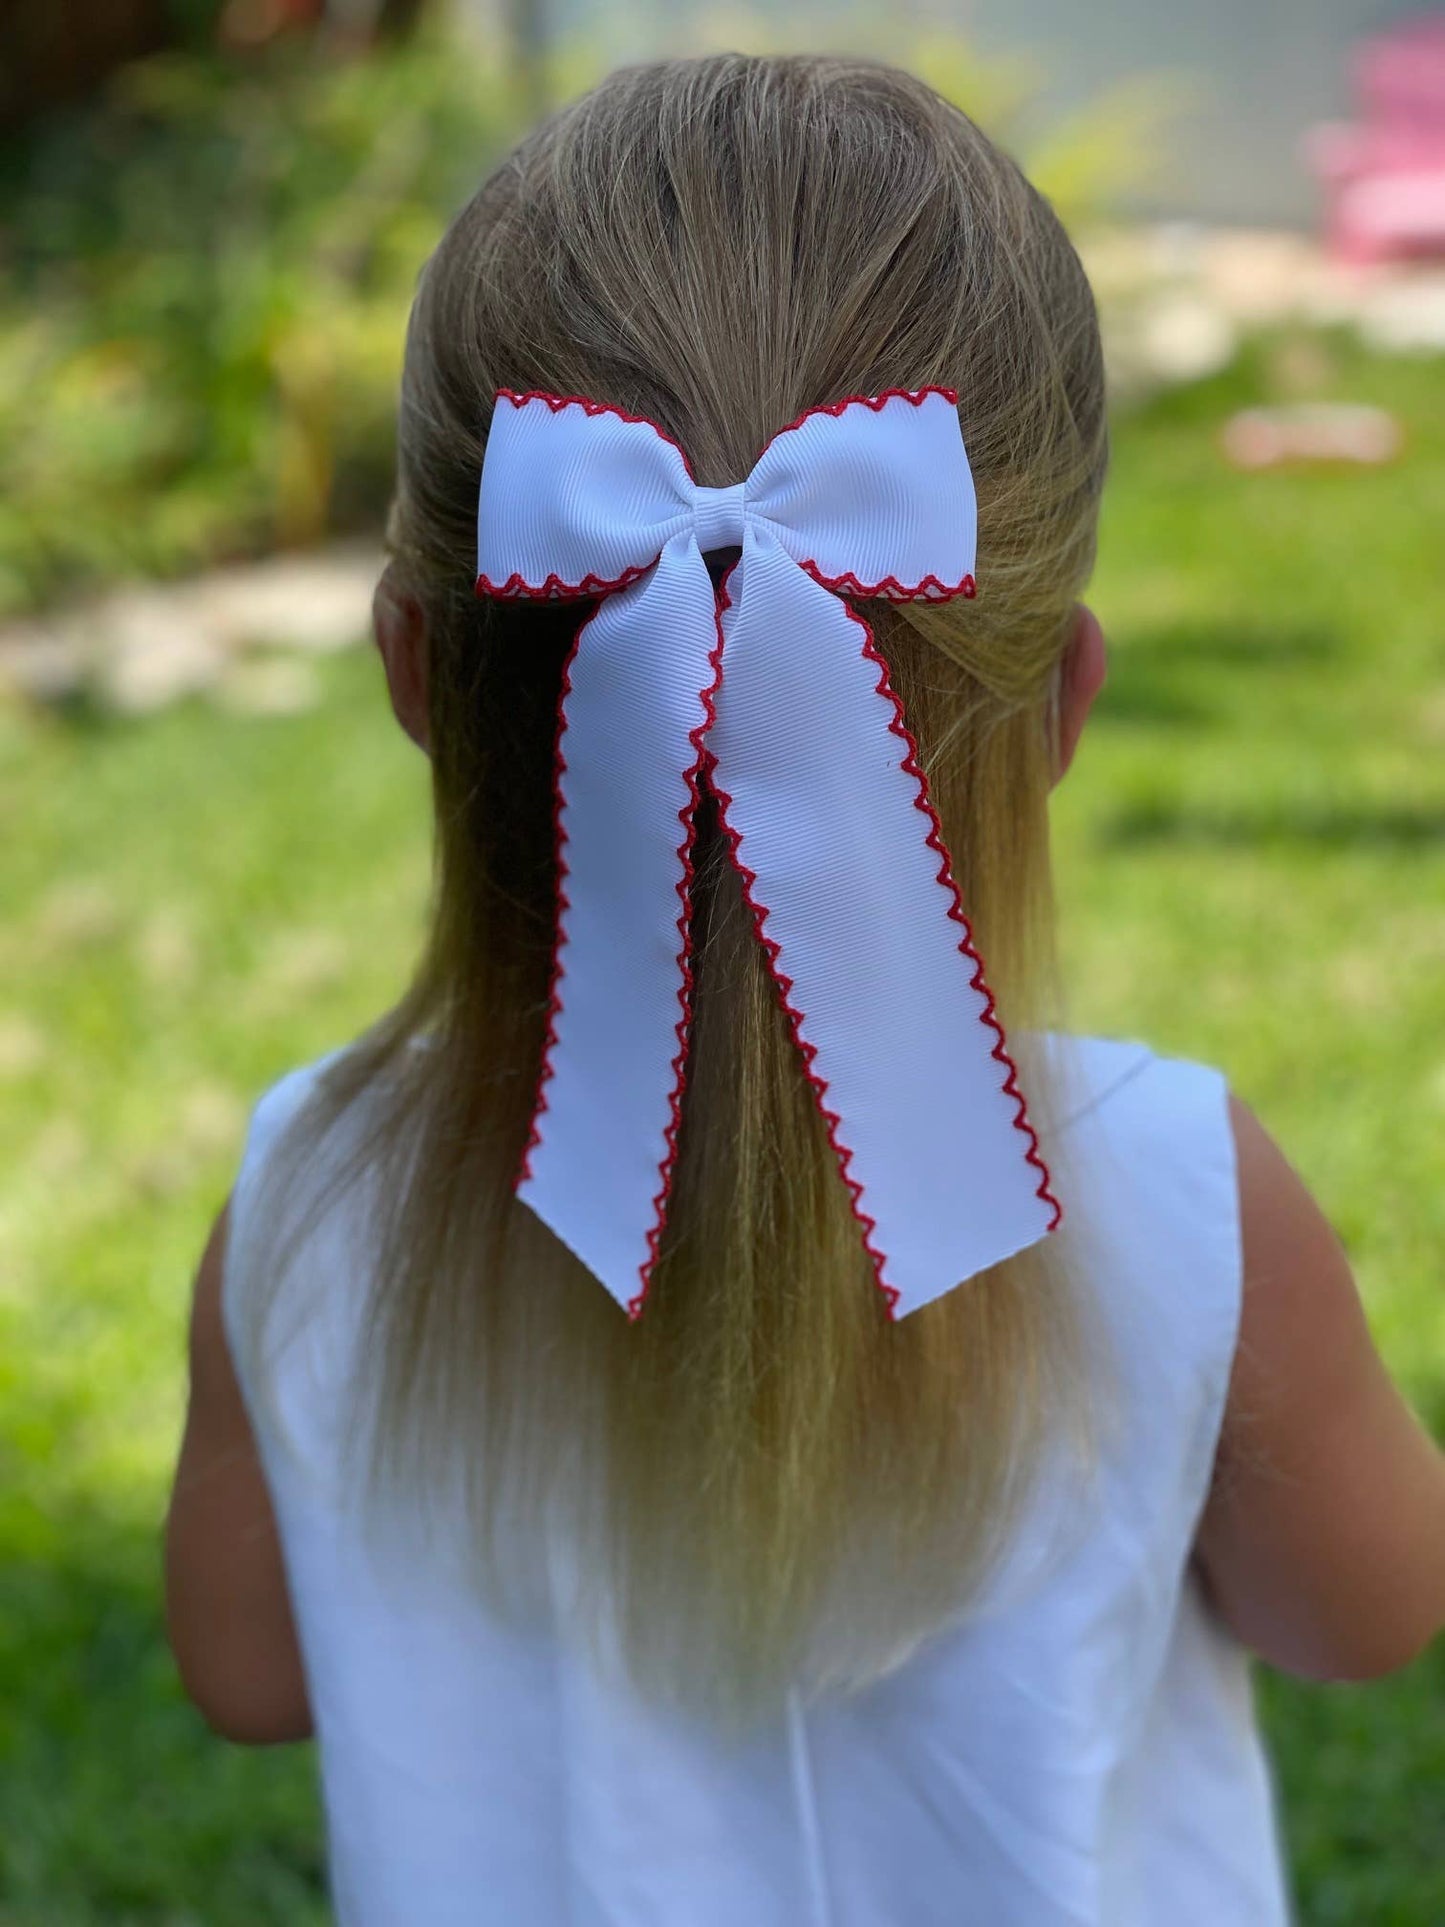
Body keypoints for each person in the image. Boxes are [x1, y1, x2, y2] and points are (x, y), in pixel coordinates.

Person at [164, 53, 1445, 1927]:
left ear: (414, 673)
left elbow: (244, 1670)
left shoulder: (307, 1200)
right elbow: (1371, 1613)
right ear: (1066, 698)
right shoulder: (1168, 1191)